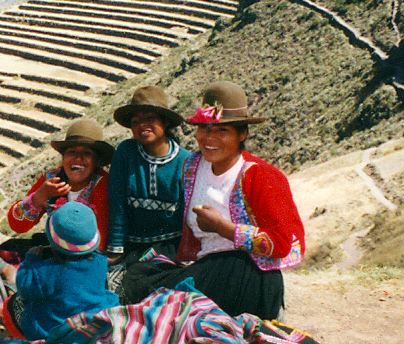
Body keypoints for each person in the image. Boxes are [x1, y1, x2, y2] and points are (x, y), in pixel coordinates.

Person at [120, 82, 304, 321]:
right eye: (204, 128)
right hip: (208, 268)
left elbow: (281, 243)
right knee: (140, 277)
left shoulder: (261, 176)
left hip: (248, 276)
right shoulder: (193, 167)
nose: (210, 138)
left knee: (165, 306)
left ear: (242, 134)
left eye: (222, 131)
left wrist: (222, 228)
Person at [0, 202, 119, 341]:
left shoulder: (47, 271)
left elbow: (24, 289)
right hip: (91, 320)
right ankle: (10, 280)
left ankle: (9, 288)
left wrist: (30, 259)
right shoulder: (101, 262)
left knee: (12, 305)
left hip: (52, 329)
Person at [105, 86, 189, 266]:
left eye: (150, 118)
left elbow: (188, 215)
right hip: (132, 245)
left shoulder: (185, 161)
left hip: (171, 246)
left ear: (165, 121)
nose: (142, 125)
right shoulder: (125, 152)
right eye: (135, 122)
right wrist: (115, 249)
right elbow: (117, 204)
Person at [3, 118, 113, 251]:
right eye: (71, 152)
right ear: (63, 157)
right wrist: (40, 196)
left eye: (87, 153)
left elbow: (100, 241)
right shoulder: (50, 179)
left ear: (97, 161)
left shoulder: (103, 184)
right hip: (54, 246)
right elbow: (17, 226)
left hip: (85, 253)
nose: (78, 158)